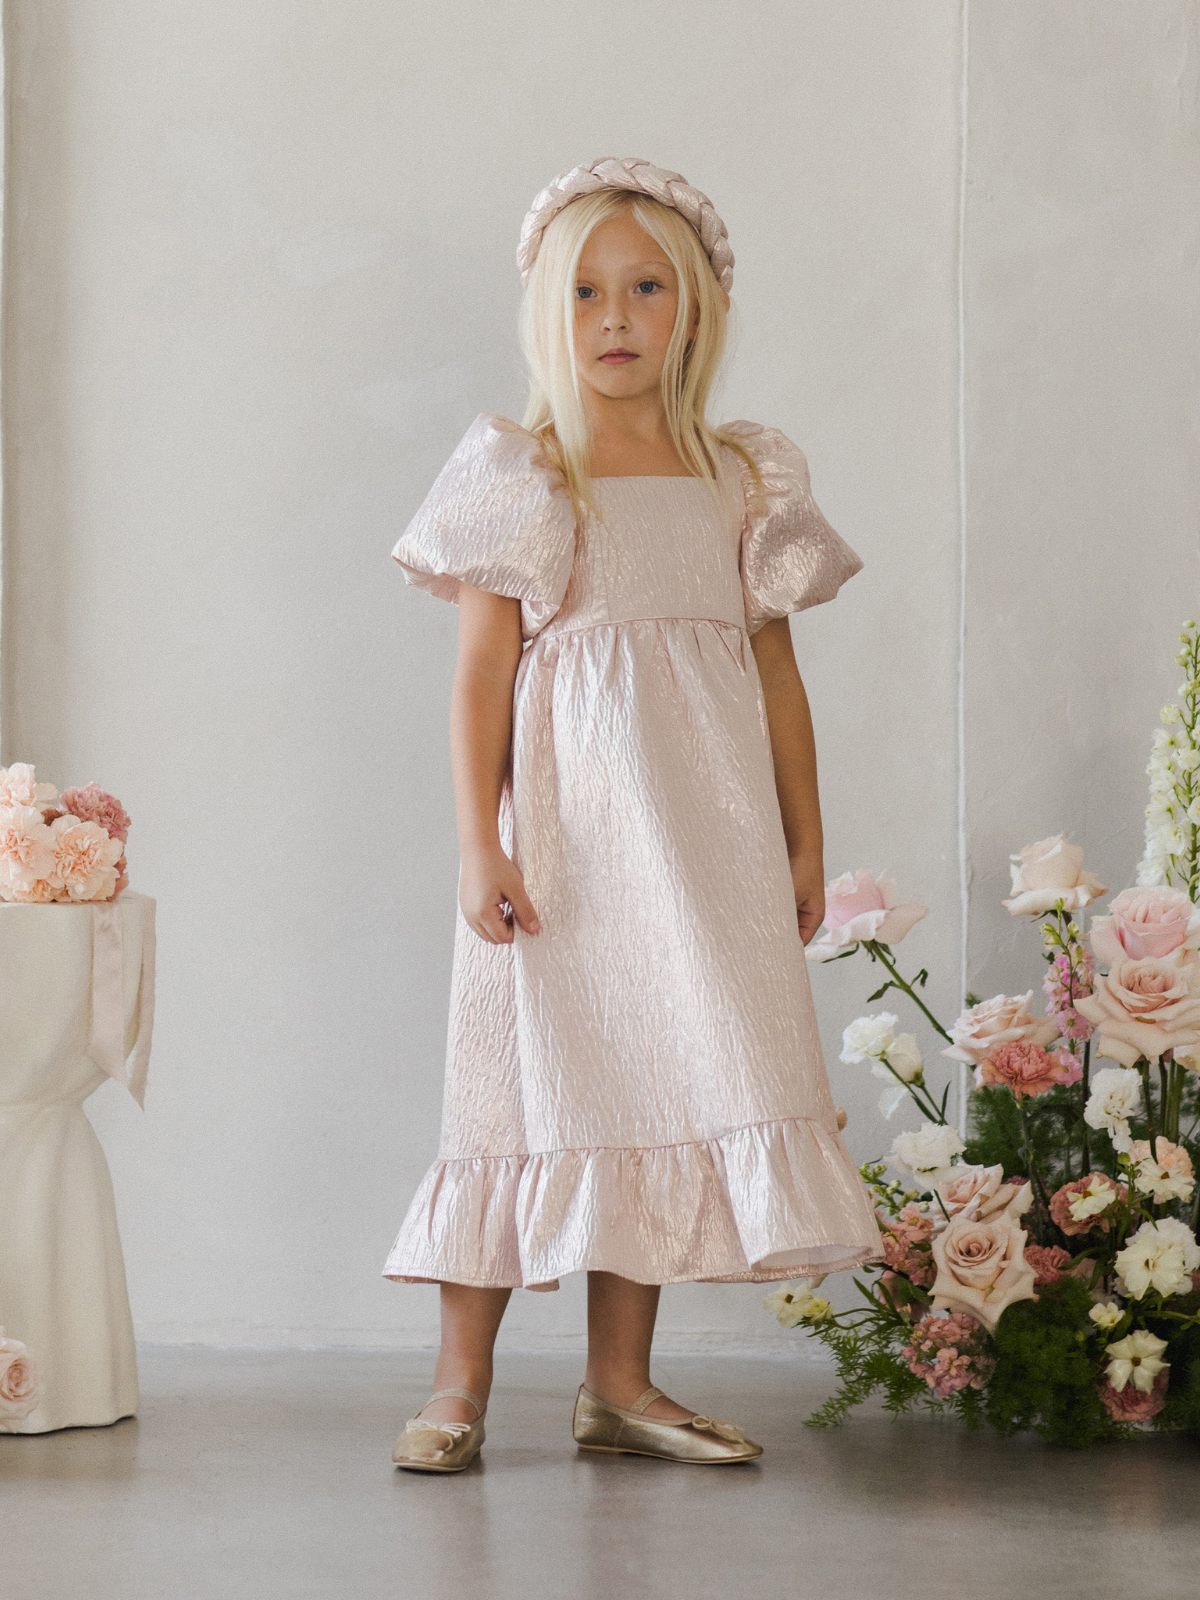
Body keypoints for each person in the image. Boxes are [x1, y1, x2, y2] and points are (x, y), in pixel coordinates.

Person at [384, 158, 880, 1472]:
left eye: (646, 288)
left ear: (694, 308)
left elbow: (773, 672)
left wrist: (804, 836)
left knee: (657, 1077)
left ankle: (620, 1384)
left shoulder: (742, 478)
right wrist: (479, 841)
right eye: (590, 291)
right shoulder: (528, 472)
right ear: (551, 311)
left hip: (703, 846)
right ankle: (457, 1384)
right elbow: (482, 675)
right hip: (566, 851)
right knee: (520, 1090)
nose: (616, 316)